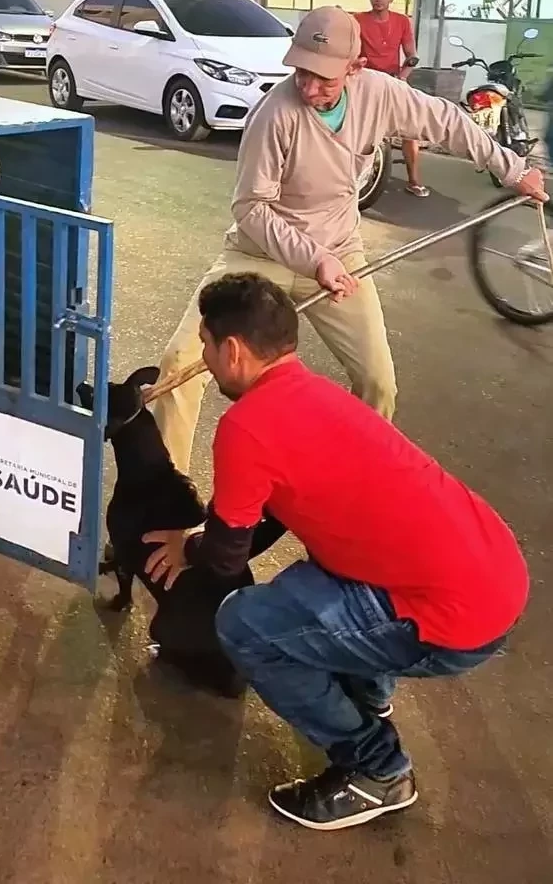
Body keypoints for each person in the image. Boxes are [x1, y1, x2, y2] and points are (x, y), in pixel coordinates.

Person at [144, 273, 530, 832]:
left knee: (247, 626)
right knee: (320, 568)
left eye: (206, 344)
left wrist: (192, 546)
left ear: (231, 349)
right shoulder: (319, 394)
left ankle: (378, 769)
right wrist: (209, 536)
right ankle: (365, 690)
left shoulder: (246, 427)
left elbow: (227, 559)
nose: (202, 357)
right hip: (493, 572)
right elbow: (276, 508)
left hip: (453, 619)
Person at [151, 5, 546, 471]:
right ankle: (165, 508)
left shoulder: (380, 94)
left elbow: (448, 122)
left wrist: (514, 170)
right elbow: (250, 208)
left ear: (356, 68)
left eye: (325, 79)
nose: (309, 87)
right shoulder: (274, 114)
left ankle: (350, 487)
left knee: (379, 384)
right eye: (301, 72)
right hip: (260, 254)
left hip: (340, 252)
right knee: (179, 366)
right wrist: (314, 259)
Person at [355, 0, 427, 197]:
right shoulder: (358, 20)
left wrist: (403, 77)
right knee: (357, 129)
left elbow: (412, 55)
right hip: (366, 80)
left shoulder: (402, 21)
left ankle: (414, 180)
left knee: (410, 130)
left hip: (394, 80)